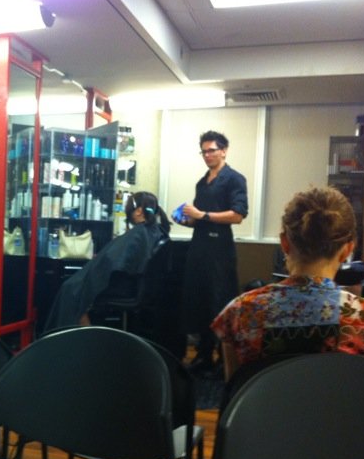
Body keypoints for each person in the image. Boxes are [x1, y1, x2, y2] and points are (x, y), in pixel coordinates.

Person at [211, 186, 364, 459]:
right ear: (348, 249)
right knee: (344, 421)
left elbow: (236, 394)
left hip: (260, 456)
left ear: (284, 243)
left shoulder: (240, 313)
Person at [43, 191, 170, 332]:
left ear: (139, 211)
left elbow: (113, 261)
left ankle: (83, 338)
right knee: (74, 290)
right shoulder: (155, 231)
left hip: (123, 286)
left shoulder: (139, 233)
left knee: (71, 291)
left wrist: (100, 262)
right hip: (131, 285)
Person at [176, 130, 248, 374]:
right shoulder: (202, 183)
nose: (207, 155)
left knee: (219, 300)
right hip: (199, 247)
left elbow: (237, 215)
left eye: (212, 150)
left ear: (224, 151)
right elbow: (199, 219)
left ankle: (221, 358)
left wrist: (202, 215)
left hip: (219, 251)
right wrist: (187, 220)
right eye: (204, 151)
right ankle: (203, 354)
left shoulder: (234, 179)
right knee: (198, 300)